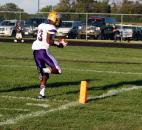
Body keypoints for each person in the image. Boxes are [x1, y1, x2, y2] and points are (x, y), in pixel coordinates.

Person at [32, 11, 68, 99]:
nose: (59, 21)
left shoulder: (42, 25)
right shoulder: (52, 27)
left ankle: (41, 94)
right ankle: (43, 70)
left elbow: (44, 38)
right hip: (43, 52)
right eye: (58, 19)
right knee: (57, 70)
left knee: (45, 76)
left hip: (35, 51)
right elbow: (49, 41)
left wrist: (57, 42)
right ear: (54, 19)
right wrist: (59, 44)